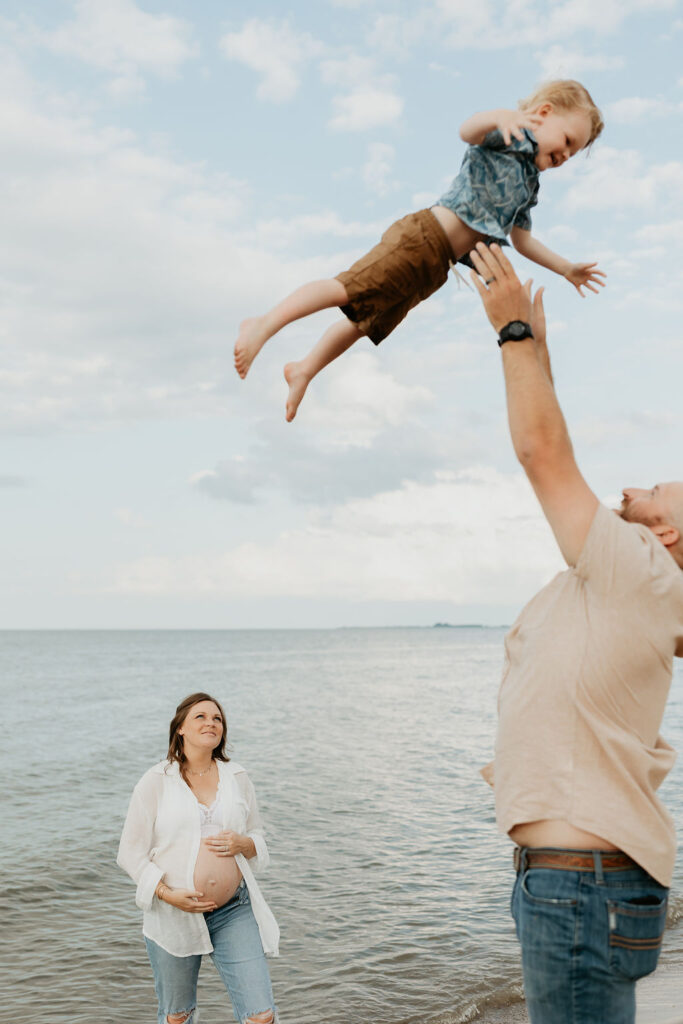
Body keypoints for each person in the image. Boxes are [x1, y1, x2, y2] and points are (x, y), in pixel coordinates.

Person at [468, 241, 683, 1024]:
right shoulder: (625, 583)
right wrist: (541, 351)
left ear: (666, 538)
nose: (629, 488)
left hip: (579, 882)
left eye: (656, 489)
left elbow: (542, 453)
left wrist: (511, 335)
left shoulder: (640, 571)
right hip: (575, 878)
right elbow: (551, 435)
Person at [234, 79, 605, 422]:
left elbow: (522, 239)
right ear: (543, 114)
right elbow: (468, 131)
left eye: (576, 153)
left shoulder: (529, 185)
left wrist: (566, 268)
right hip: (421, 238)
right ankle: (263, 324)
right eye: (569, 141)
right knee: (346, 288)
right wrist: (499, 117)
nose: (568, 155)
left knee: (365, 322)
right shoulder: (510, 135)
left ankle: (304, 368)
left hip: (436, 267)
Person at [118, 692, 279, 1024]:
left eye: (217, 718)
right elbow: (130, 852)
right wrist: (166, 893)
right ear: (180, 729)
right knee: (177, 1016)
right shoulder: (156, 781)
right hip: (173, 913)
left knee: (261, 1015)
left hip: (234, 908)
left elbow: (258, 836)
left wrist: (243, 844)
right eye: (201, 717)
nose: (211, 723)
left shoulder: (237, 777)